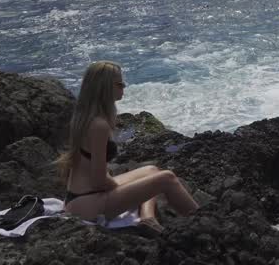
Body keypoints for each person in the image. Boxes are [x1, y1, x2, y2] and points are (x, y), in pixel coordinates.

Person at [57, 61, 198, 231]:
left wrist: (130, 188)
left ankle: (147, 218)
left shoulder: (86, 117)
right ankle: (205, 223)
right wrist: (121, 187)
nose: (124, 87)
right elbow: (99, 181)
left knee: (151, 171)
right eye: (120, 83)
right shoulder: (99, 125)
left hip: (79, 198)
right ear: (106, 87)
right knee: (167, 178)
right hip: (88, 205)